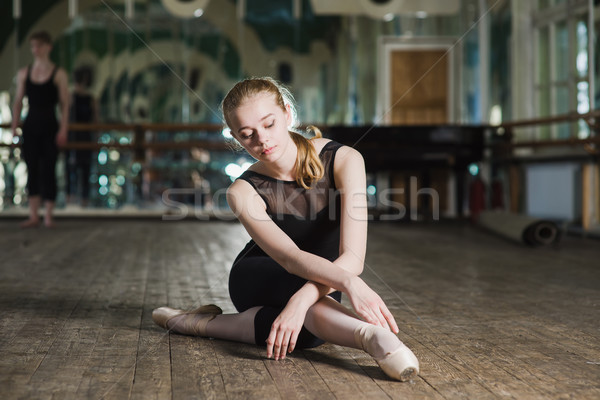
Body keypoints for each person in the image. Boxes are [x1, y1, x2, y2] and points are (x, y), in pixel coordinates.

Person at [152, 77, 419, 381]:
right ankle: (376, 339)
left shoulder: (344, 160)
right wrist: (347, 284)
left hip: (325, 281)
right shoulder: (242, 191)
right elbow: (291, 258)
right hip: (262, 274)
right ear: (237, 139)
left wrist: (303, 300)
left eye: (269, 124)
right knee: (310, 316)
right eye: (247, 134)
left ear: (288, 114)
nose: (261, 140)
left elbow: (353, 258)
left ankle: (200, 324)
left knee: (307, 335)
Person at [11, 31, 69, 228]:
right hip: (31, 125)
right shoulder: (24, 73)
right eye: (33, 46)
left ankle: (48, 215)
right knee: (32, 168)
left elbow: (65, 104)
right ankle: (34, 214)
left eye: (39, 45)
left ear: (48, 47)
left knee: (49, 169)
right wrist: (14, 126)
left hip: (50, 125)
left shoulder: (59, 73)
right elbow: (17, 102)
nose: (35, 50)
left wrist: (63, 129)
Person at [66, 66, 97, 207]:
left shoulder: (90, 99)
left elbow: (96, 120)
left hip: (85, 137)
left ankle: (83, 200)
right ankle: (71, 198)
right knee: (71, 168)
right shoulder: (71, 97)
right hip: (73, 136)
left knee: (85, 169)